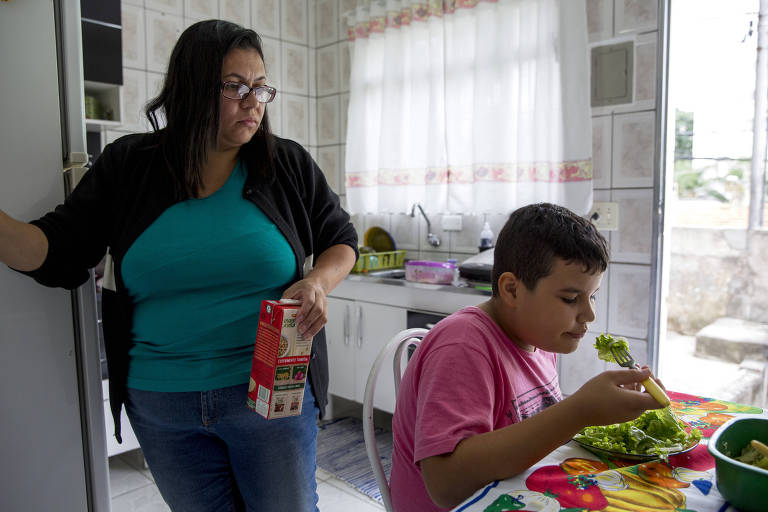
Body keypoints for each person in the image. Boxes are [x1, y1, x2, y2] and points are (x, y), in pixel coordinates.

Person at [0, 20, 357, 512]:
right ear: (190, 86)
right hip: (162, 404)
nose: (253, 101)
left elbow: (341, 239)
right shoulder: (130, 166)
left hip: (270, 397)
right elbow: (58, 249)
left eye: (260, 88)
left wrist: (318, 280)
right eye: (235, 86)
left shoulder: (285, 165)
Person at [389, 202, 666, 511]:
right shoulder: (463, 345)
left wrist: (599, 411)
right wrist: (579, 411)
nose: (589, 314)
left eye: (593, 295)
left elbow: (530, 426)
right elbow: (446, 485)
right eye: (571, 298)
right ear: (512, 290)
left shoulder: (539, 339)